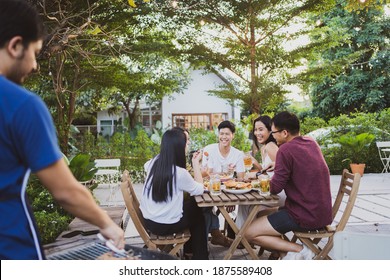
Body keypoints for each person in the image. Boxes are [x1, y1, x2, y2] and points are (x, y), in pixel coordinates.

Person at [0, 0, 124, 260]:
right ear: (15, 46)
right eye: (34, 52)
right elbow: (65, 191)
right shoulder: (21, 104)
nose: (34, 65)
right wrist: (108, 224)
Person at [244, 111, 332, 260]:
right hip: (320, 212)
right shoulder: (311, 142)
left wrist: (257, 179)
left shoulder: (286, 149)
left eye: (274, 132)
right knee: (260, 214)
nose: (273, 135)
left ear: (285, 133)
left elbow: (274, 188)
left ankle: (301, 250)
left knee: (247, 233)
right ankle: (285, 254)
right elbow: (300, 166)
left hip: (304, 215)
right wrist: (277, 165)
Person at [140, 129, 208, 259]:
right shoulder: (180, 173)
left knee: (192, 206)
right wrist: (195, 163)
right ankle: (201, 258)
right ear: (179, 147)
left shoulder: (153, 163)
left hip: (149, 221)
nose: (188, 146)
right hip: (166, 225)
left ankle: (190, 252)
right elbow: (200, 189)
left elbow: (145, 165)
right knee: (198, 211)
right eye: (186, 144)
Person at [235, 115, 284, 229]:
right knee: (244, 203)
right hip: (269, 190)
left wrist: (256, 174)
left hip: (278, 193)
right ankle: (243, 235)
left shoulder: (270, 146)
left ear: (270, 130)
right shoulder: (265, 147)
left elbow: (282, 171)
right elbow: (270, 170)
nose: (257, 133)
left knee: (245, 202)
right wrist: (256, 164)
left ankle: (242, 235)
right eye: (255, 130)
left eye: (261, 129)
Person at [202, 120, 245, 247]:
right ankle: (215, 236)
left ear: (233, 135)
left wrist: (232, 199)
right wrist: (208, 172)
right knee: (204, 207)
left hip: (228, 190)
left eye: (227, 134)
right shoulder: (209, 150)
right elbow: (202, 174)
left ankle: (235, 236)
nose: (224, 137)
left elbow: (241, 179)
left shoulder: (237, 154)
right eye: (221, 134)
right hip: (210, 189)